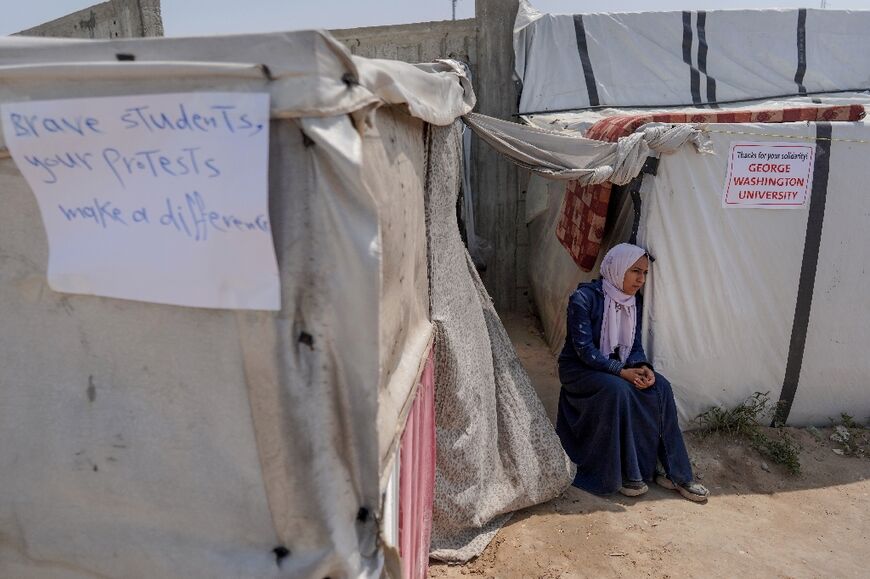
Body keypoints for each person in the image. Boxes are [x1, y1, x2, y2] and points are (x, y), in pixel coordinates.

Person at [556, 243, 709, 502]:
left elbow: (634, 347)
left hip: (615, 366)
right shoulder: (584, 298)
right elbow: (584, 350)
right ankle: (627, 473)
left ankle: (675, 473)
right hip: (580, 369)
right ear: (617, 269)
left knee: (661, 387)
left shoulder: (633, 302)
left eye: (645, 273)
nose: (641, 279)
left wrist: (643, 368)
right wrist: (621, 371)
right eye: (635, 271)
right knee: (618, 390)